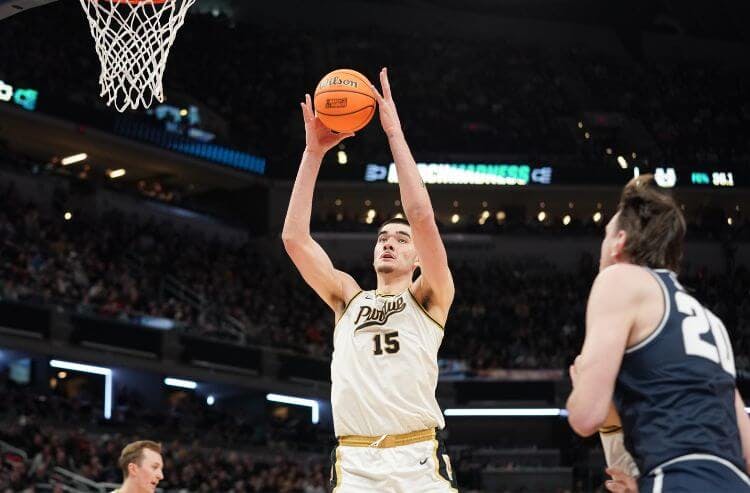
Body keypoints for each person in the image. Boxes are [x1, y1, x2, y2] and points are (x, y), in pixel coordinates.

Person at [282, 67, 457, 492]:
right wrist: (313, 154)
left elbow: (421, 216)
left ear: (417, 256)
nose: (389, 243)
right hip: (356, 461)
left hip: (417, 459)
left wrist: (393, 134)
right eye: (382, 237)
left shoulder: (430, 297)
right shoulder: (347, 298)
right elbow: (293, 238)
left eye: (400, 239)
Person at [566, 175, 750, 492]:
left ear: (620, 242)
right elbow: (745, 449)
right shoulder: (711, 321)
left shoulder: (619, 278)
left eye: (606, 234)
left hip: (679, 478)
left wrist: (582, 381)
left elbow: (585, 416)